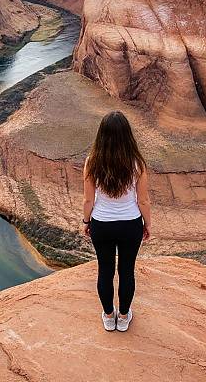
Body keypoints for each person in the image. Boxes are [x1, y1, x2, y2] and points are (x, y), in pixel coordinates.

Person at [81, 110, 152, 332]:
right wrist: (147, 224)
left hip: (102, 224)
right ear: (127, 135)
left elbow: (87, 199)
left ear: (101, 135)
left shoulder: (92, 162)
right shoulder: (137, 164)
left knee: (105, 270)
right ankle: (123, 317)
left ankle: (108, 315)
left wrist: (86, 221)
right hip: (130, 224)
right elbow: (143, 200)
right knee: (127, 270)